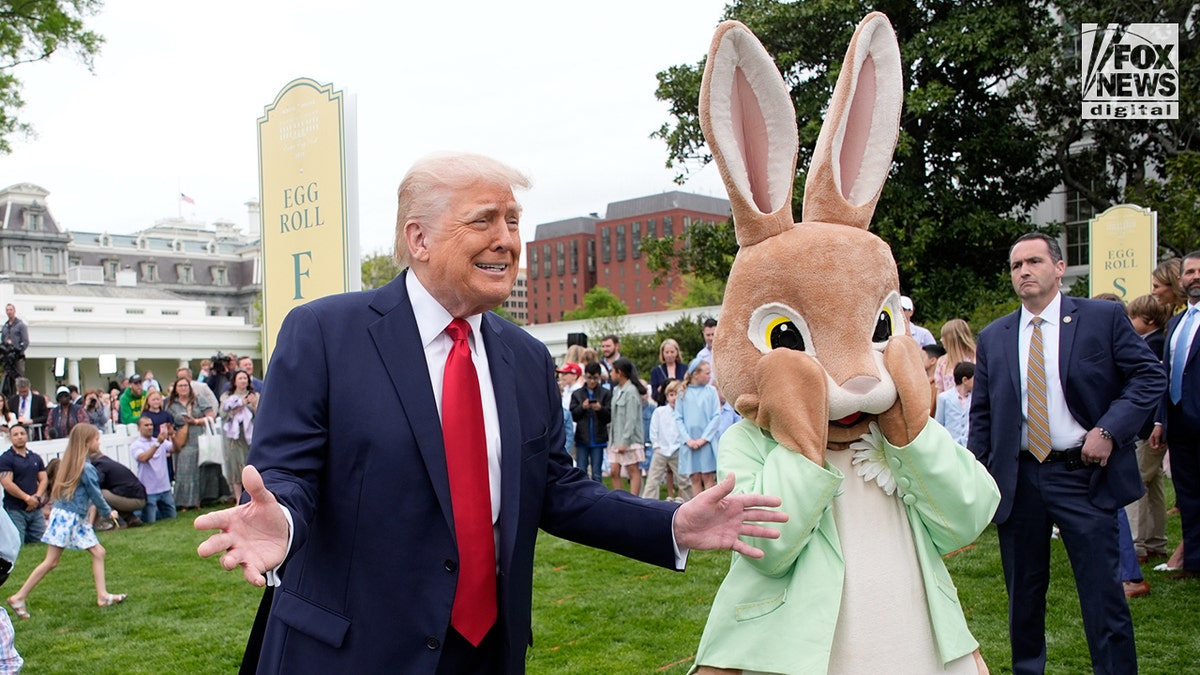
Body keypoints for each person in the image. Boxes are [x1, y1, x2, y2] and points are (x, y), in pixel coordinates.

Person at [193, 152, 786, 673]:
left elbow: (557, 488)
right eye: (483, 220)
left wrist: (671, 525)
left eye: (512, 221)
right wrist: (285, 523)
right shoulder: (324, 333)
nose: (506, 239)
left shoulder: (525, 358)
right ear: (419, 239)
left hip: (486, 654)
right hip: (351, 653)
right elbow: (288, 475)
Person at [969, 232, 1165, 674]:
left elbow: (1148, 377)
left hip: (1083, 475)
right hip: (1020, 481)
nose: (1025, 271)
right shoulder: (995, 336)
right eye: (1017, 265)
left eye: (1034, 261)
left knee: (1102, 594)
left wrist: (1109, 430)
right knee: (1024, 599)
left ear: (1059, 268)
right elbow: (982, 414)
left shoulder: (1104, 318)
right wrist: (977, 478)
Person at [6, 424, 126, 619]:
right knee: (51, 561)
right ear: (87, 443)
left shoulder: (71, 464)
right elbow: (95, 495)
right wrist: (108, 512)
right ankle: (19, 597)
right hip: (70, 519)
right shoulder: (86, 468)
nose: (99, 442)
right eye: (96, 439)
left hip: (67, 516)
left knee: (98, 552)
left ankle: (103, 596)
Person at [1150, 250, 1200, 580]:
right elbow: (1165, 374)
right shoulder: (1179, 322)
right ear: (1181, 279)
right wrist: (1159, 420)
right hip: (1180, 424)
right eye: (1190, 271)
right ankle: (1194, 562)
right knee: (1189, 495)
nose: (1195, 276)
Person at [1124, 295, 1171, 565]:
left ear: (1150, 321)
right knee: (1154, 484)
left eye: (1134, 318)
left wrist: (1156, 422)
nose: (1130, 323)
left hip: (1148, 426)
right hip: (1153, 424)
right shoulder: (1156, 343)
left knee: (1137, 483)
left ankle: (1137, 544)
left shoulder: (1153, 347)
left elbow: (1155, 386)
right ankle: (1156, 541)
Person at [168, 376, 214, 510]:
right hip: (182, 439)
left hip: (199, 437)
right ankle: (184, 502)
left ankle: (199, 500)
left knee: (200, 470)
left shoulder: (199, 399)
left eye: (185, 385)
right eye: (180, 386)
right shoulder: (172, 405)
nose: (183, 388)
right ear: (176, 389)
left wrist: (196, 421)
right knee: (184, 470)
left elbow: (211, 415)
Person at [642, 380, 692, 502]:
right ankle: (647, 502)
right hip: (661, 449)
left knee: (684, 479)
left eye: (677, 395)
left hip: (677, 450)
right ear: (667, 396)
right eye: (671, 395)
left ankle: (690, 502)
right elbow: (654, 429)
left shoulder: (685, 413)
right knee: (653, 479)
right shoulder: (660, 411)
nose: (674, 398)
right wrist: (656, 445)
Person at [676, 360, 720, 497]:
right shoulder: (683, 393)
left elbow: (716, 416)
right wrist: (688, 440)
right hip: (689, 443)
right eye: (707, 373)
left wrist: (703, 439)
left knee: (708, 477)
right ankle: (698, 510)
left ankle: (712, 508)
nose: (710, 376)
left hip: (706, 442)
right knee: (694, 477)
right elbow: (678, 418)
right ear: (695, 374)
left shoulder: (711, 392)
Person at [0, 426, 45, 546]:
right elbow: (7, 483)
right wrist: (27, 498)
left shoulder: (35, 457)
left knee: (41, 544)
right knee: (17, 544)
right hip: (15, 509)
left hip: (36, 509)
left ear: (27, 436)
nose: (19, 436)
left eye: (22, 433)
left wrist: (37, 497)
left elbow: (44, 478)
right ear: (10, 438)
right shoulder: (6, 459)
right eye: (15, 434)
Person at [607, 358, 645, 495]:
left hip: (630, 439)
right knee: (614, 470)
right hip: (615, 438)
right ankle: (620, 498)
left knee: (632, 470)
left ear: (620, 372)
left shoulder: (631, 391)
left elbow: (631, 418)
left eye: (612, 371)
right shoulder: (616, 390)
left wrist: (625, 441)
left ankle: (634, 499)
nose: (610, 374)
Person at [219, 370, 258, 502]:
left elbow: (261, 414)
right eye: (240, 378)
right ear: (234, 381)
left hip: (250, 436)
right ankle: (238, 498)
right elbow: (223, 414)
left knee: (250, 464)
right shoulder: (227, 396)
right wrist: (241, 404)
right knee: (236, 465)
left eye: (245, 378)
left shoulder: (255, 395)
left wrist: (253, 404)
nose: (243, 381)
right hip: (233, 437)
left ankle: (252, 496)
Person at [570, 362, 610, 482]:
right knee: (581, 471)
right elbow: (574, 415)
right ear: (585, 377)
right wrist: (583, 407)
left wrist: (600, 409)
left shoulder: (605, 393)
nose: (592, 381)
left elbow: (609, 417)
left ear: (599, 377)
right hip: (582, 438)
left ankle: (598, 496)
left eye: (595, 378)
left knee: (597, 473)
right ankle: (582, 495)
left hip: (598, 439)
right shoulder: (577, 394)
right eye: (589, 378)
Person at [132, 416, 176, 524]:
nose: (150, 427)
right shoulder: (136, 445)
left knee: (172, 518)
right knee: (150, 521)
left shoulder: (160, 441)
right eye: (146, 425)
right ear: (139, 428)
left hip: (164, 488)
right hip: (149, 490)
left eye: (151, 425)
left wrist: (172, 435)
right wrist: (157, 444)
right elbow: (143, 458)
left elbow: (176, 448)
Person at [935, 362, 974, 447]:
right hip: (951, 444)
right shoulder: (944, 398)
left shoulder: (975, 398)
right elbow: (939, 423)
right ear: (965, 380)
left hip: (968, 445)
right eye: (974, 379)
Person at [932, 319, 976, 394]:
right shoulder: (942, 362)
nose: (941, 340)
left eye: (943, 337)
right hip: (950, 404)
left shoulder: (975, 357)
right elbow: (940, 391)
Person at [650, 338, 688, 405]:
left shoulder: (685, 368)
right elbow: (654, 395)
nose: (669, 355)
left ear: (677, 352)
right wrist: (661, 389)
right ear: (662, 353)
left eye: (672, 352)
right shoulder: (656, 371)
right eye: (667, 352)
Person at [0, 305, 28, 379]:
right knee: (6, 376)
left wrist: (19, 351)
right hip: (7, 356)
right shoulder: (5, 326)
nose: (9, 312)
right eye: (7, 310)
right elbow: (2, 340)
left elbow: (26, 341)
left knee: (19, 378)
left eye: (10, 310)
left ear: (14, 311)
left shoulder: (21, 325)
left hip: (18, 357)